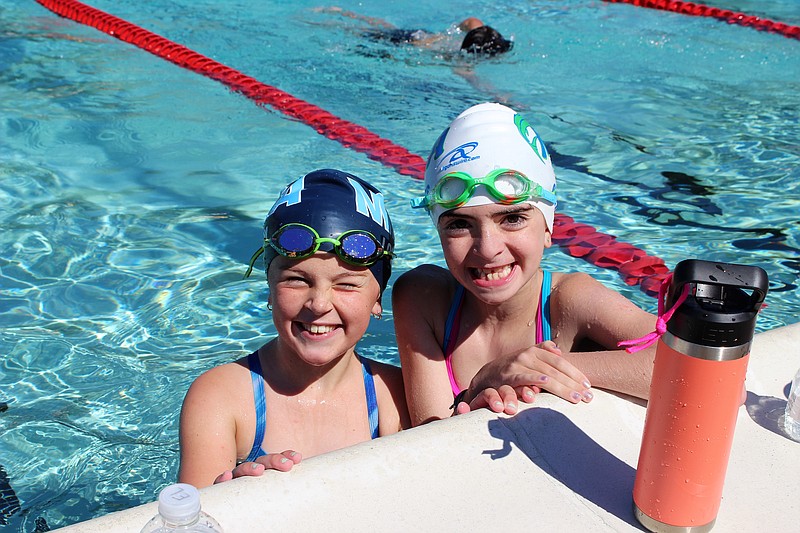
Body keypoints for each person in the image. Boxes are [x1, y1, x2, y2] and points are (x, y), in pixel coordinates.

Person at [393, 103, 658, 426]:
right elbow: (429, 438)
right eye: (459, 224)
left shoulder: (568, 300)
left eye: (513, 218)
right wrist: (480, 386)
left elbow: (692, 364)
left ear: (548, 228)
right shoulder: (422, 299)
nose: (488, 249)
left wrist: (528, 368)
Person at [179, 169, 409, 487]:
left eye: (346, 284)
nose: (318, 304)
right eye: (297, 280)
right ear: (270, 289)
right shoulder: (221, 396)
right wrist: (228, 498)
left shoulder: (395, 395)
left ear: (377, 298)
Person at [315, 7, 513, 56]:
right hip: (410, 42)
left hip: (421, 34)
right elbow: (469, 77)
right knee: (362, 33)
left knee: (384, 26)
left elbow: (470, 21)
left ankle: (344, 13)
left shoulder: (477, 29)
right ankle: (328, 22)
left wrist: (448, 33)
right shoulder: (456, 57)